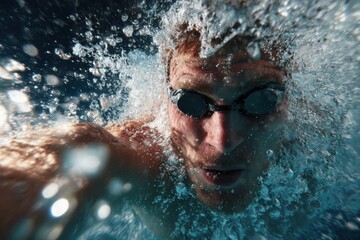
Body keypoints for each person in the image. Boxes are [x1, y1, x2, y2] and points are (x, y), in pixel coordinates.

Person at [0, 23, 288, 239]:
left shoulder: (326, 142)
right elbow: (74, 153)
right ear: (167, 100)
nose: (223, 141)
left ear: (290, 101)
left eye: (261, 100)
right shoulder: (146, 153)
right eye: (191, 101)